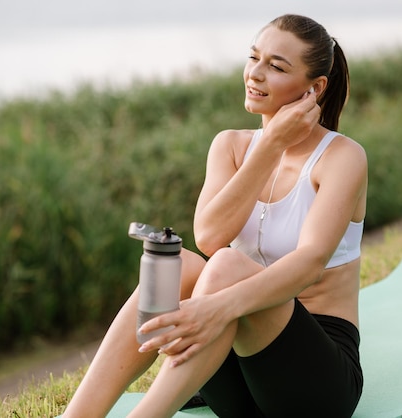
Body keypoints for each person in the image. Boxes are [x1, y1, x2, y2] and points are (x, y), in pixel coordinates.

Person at [62, 13, 367, 418]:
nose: (255, 74)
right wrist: (269, 146)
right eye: (253, 58)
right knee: (181, 266)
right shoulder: (231, 146)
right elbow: (208, 235)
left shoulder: (342, 157)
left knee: (224, 266)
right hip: (237, 374)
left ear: (315, 88)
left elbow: (310, 264)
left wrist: (219, 307)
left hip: (313, 382)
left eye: (275, 67)